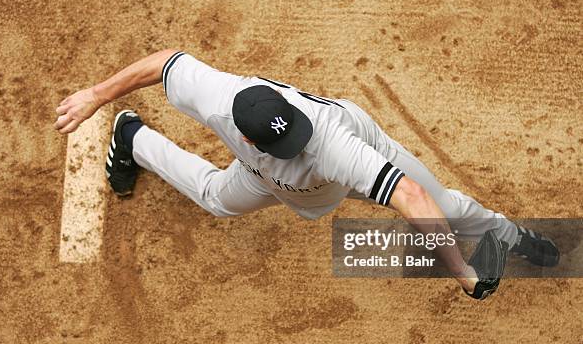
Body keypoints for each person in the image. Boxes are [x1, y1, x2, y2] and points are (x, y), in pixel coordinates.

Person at [54, 50, 559, 299]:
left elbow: (412, 199)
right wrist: (99, 96)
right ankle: (133, 139)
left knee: (445, 207)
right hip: (262, 179)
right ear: (246, 134)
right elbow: (166, 62)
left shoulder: (330, 144)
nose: (298, 142)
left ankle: (511, 235)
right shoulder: (218, 96)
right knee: (214, 196)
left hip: (350, 166)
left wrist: (463, 273)